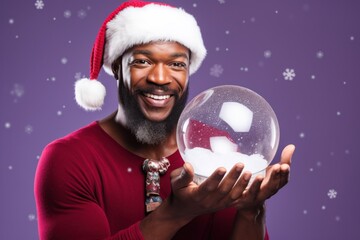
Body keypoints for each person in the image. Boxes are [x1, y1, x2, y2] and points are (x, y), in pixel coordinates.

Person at [34, 1, 295, 239]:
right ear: (116, 67)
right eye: (143, 61)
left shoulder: (214, 150)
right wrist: (177, 212)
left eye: (176, 64)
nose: (160, 78)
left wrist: (251, 211)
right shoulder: (69, 160)